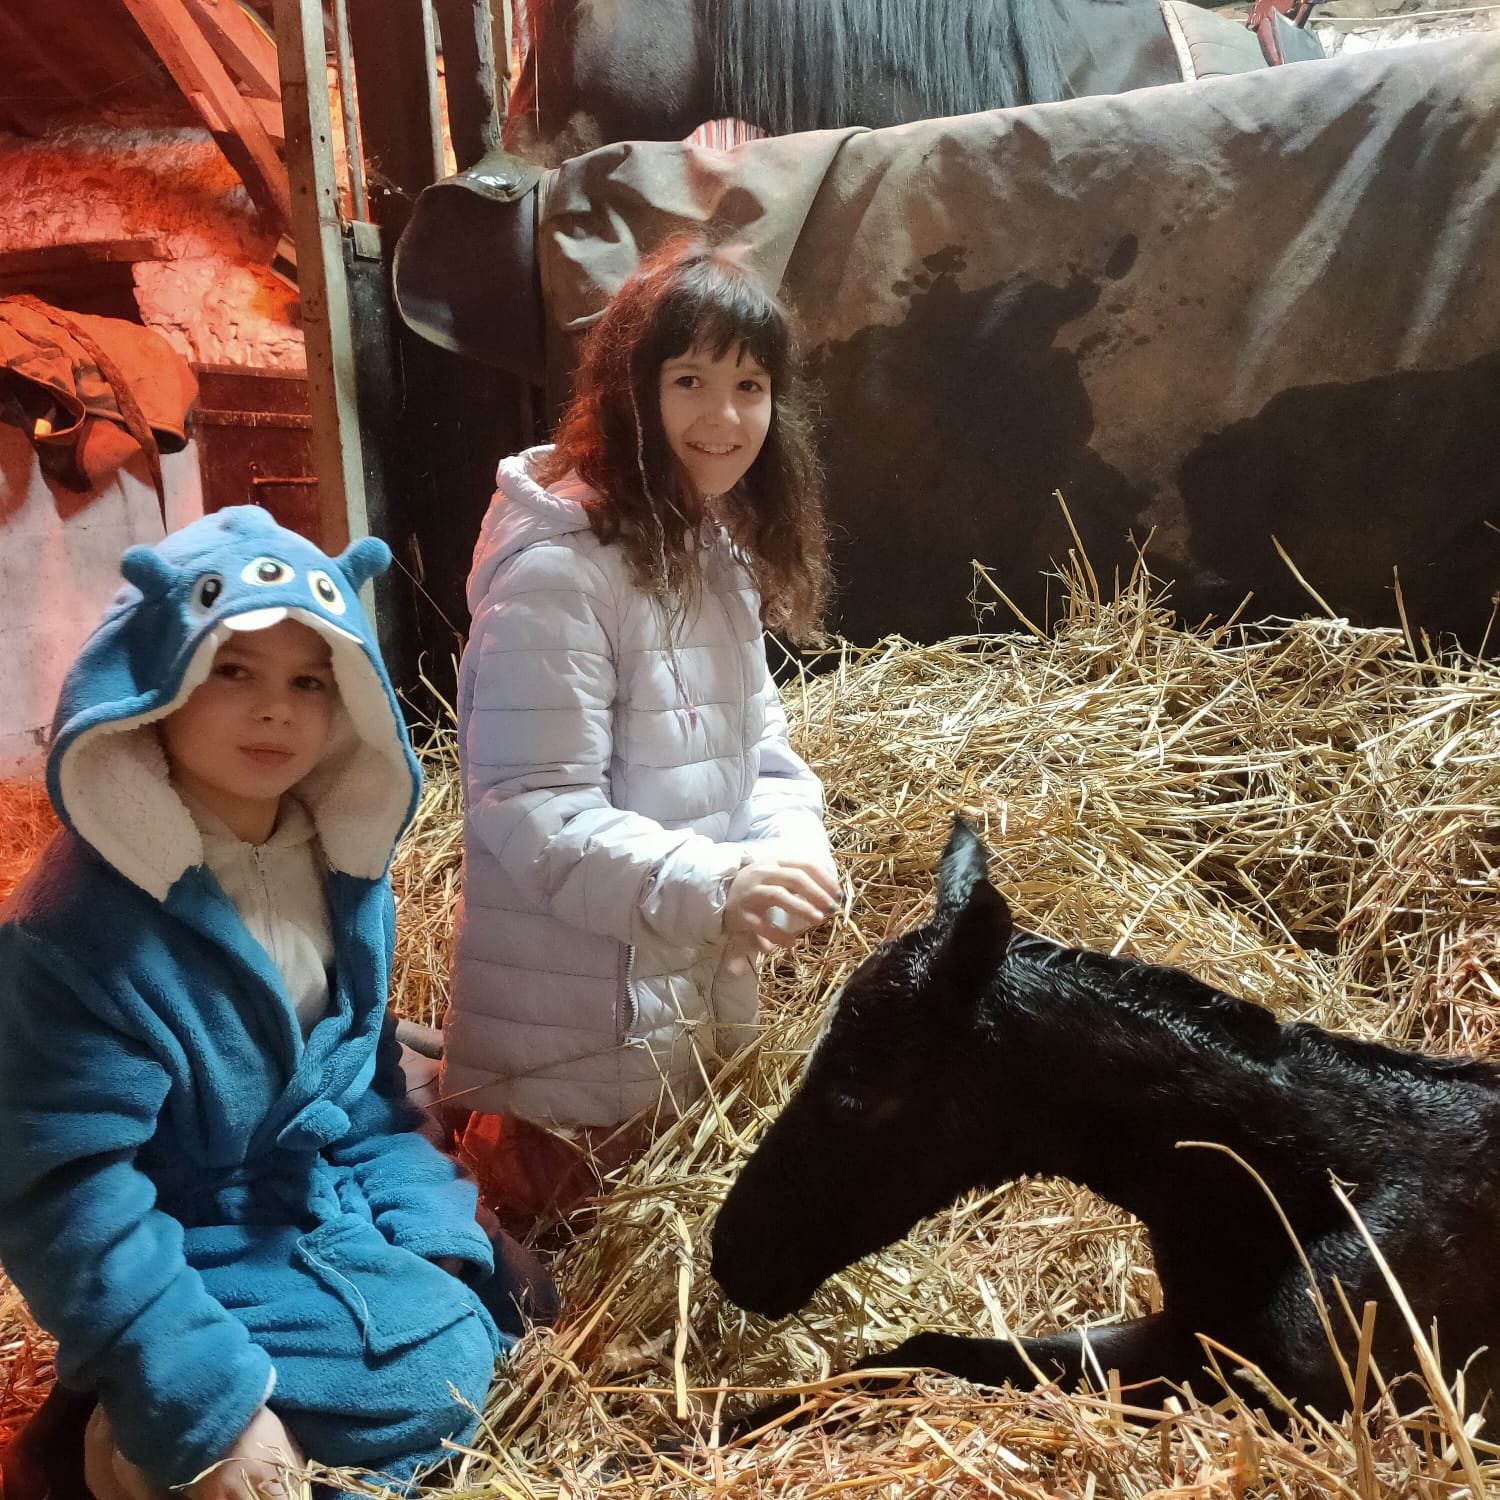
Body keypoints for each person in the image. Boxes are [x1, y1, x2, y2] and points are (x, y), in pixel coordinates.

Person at [0, 508, 513, 1500]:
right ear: (158, 679)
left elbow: (364, 1095)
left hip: (308, 1207)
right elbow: (68, 1192)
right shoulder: (76, 931)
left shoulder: (343, 873)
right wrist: (211, 1404)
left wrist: (430, 1232)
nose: (275, 710)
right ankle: (112, 1440)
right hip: (182, 1238)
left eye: (309, 680)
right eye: (232, 670)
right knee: (415, 1385)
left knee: (498, 1309)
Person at [442, 238, 841, 1227]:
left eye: (750, 386)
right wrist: (719, 886)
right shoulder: (560, 573)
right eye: (690, 380)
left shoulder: (709, 548)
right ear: (630, 388)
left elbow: (762, 753)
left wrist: (791, 855)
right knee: (562, 1270)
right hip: (577, 1047)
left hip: (676, 1007)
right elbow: (531, 807)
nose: (725, 417)